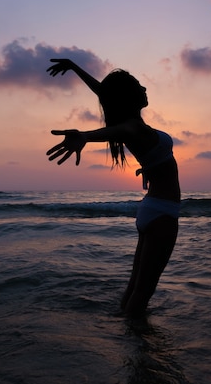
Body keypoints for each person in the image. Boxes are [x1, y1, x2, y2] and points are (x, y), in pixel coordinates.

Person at [45, 58, 181, 318]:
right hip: (163, 213)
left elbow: (105, 93)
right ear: (130, 97)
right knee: (143, 291)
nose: (144, 89)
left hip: (152, 210)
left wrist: (75, 67)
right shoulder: (132, 127)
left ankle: (125, 338)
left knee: (135, 286)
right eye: (139, 87)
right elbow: (113, 128)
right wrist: (84, 136)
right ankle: (139, 351)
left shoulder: (135, 125)